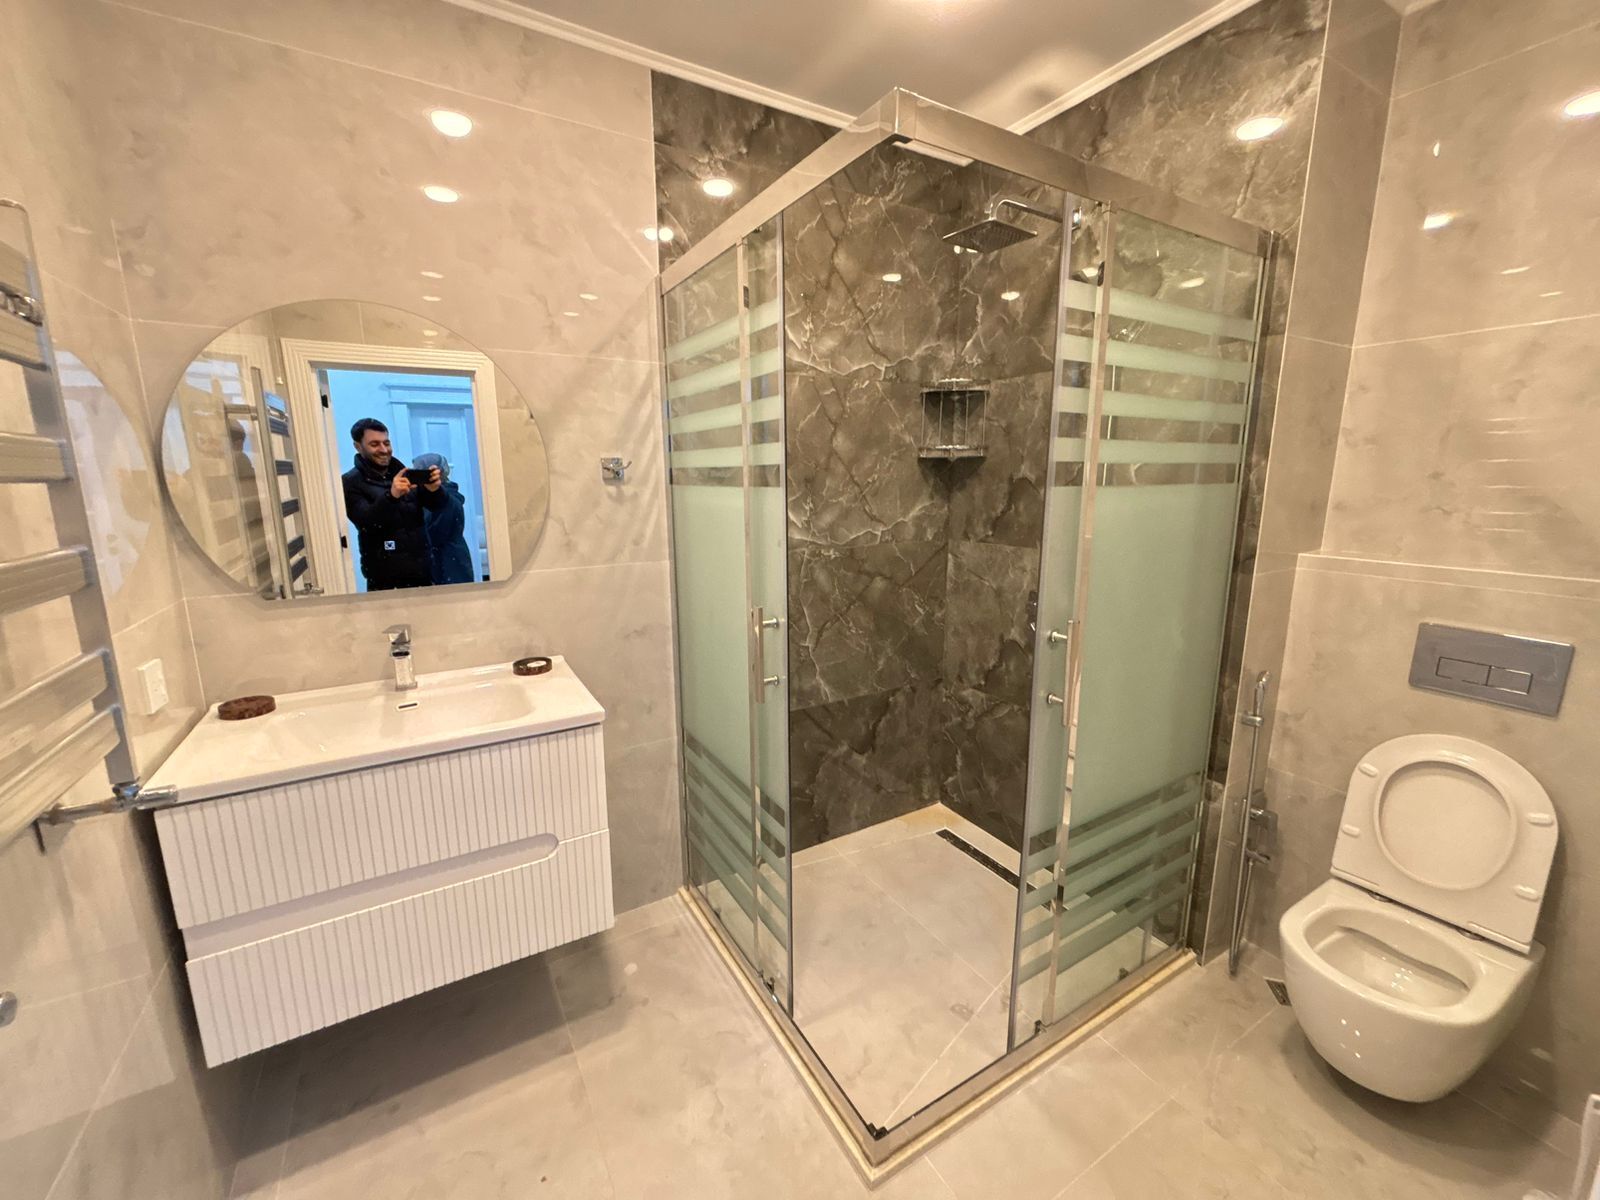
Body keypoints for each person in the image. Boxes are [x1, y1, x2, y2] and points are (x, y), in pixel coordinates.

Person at [340, 417, 443, 591]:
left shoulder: (404, 474)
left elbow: (437, 506)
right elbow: (366, 522)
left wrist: (434, 490)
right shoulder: (350, 482)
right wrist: (391, 496)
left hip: (422, 573)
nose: (383, 449)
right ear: (358, 446)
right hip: (384, 579)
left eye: (386, 443)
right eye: (374, 444)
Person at [411, 452, 476, 586]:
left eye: (419, 472)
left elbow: (436, 533)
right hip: (448, 562)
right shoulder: (423, 498)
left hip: (448, 565)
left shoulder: (447, 499)